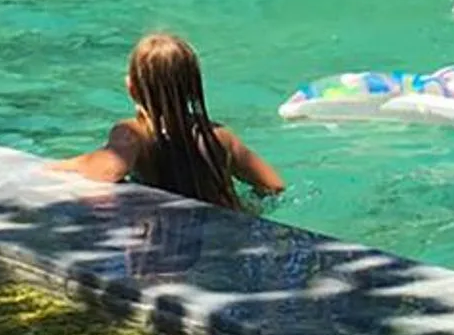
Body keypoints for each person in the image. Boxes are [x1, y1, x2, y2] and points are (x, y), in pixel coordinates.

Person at [56, 32, 285, 208]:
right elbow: (274, 186)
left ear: (131, 88)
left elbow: (107, 171)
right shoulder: (220, 136)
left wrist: (68, 164)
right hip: (227, 226)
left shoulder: (134, 133)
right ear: (192, 89)